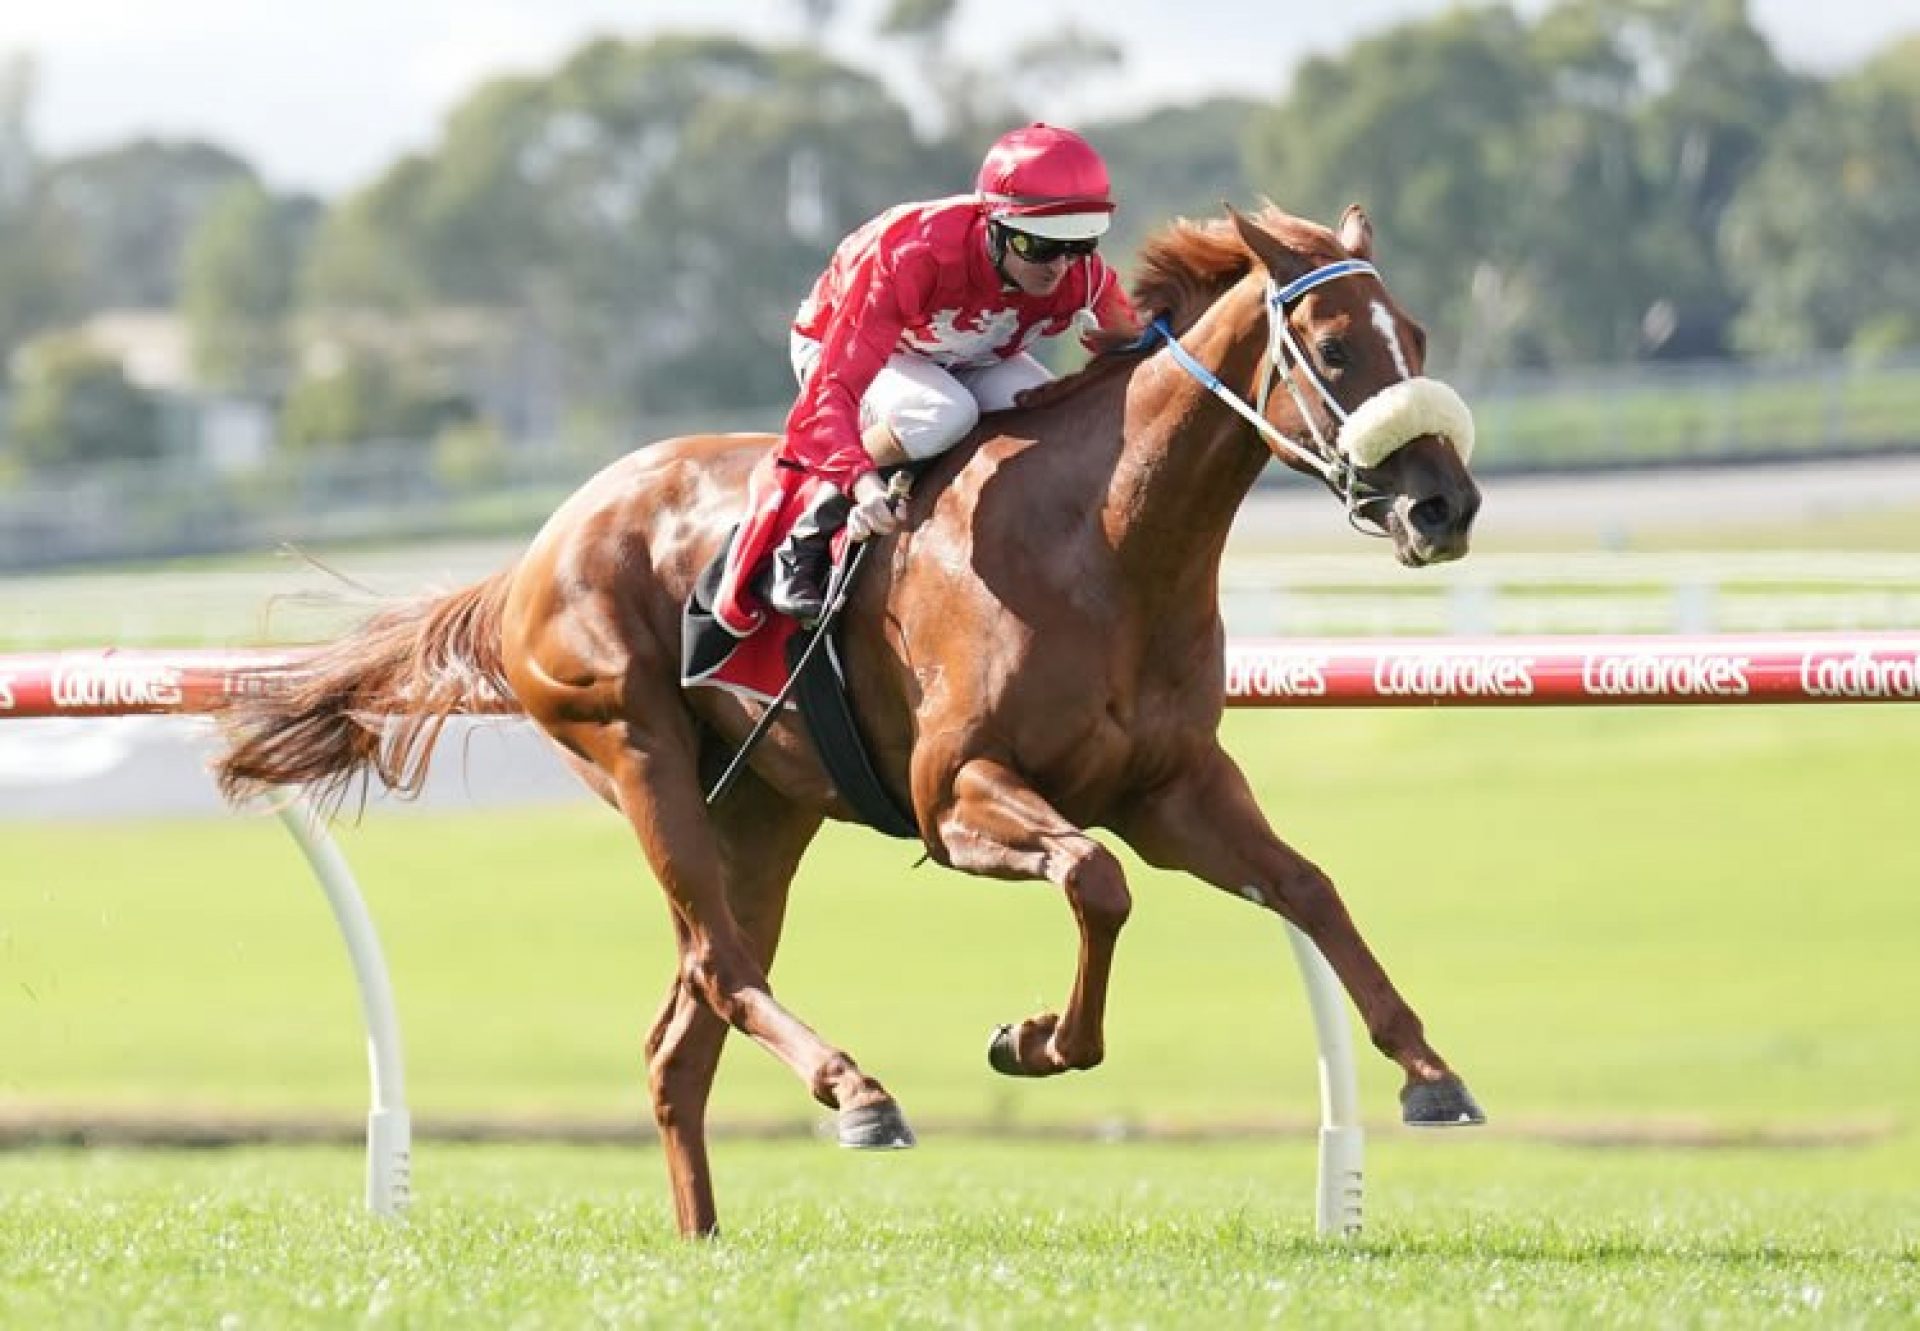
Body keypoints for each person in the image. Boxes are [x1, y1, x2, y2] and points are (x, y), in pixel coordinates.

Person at [717, 123, 1142, 631]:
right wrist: (862, 484)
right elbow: (832, 390)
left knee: (1048, 410)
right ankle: (803, 535)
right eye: (1039, 246)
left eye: (1079, 245)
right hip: (850, 345)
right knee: (942, 412)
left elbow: (1138, 355)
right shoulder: (913, 255)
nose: (1060, 267)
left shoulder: (1083, 276)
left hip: (969, 353)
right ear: (996, 227)